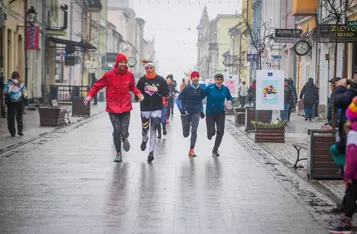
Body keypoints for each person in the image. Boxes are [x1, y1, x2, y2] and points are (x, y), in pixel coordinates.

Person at [84, 53, 144, 163]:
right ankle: (118, 153)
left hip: (125, 106)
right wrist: (89, 96)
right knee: (116, 130)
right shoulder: (109, 75)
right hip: (113, 107)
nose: (123, 64)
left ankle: (124, 137)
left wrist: (138, 94)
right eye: (121, 62)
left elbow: (133, 87)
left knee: (124, 131)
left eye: (125, 62)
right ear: (117, 63)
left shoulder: (129, 75)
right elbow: (97, 85)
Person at [328, 97, 357, 234]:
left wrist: (348, 175)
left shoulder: (353, 134)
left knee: (351, 196)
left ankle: (346, 224)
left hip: (355, 175)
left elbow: (352, 159)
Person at [136, 60, 169, 163]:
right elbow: (137, 93)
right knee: (145, 129)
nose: (149, 70)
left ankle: (151, 153)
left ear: (154, 68)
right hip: (145, 108)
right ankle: (144, 139)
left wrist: (157, 91)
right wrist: (139, 97)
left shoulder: (161, 80)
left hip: (157, 108)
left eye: (151, 68)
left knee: (153, 129)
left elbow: (167, 94)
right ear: (145, 69)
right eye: (147, 68)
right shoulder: (142, 80)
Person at [176, 71, 205, 157]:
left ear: (198, 78)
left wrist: (201, 111)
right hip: (186, 111)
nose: (195, 78)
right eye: (194, 77)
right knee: (186, 134)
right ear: (191, 79)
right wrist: (181, 109)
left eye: (197, 77)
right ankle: (186, 130)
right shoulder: (187, 88)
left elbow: (200, 101)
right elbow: (178, 99)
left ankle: (191, 149)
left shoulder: (200, 89)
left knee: (194, 130)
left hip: (196, 112)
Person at [203, 73, 233, 157]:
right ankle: (210, 133)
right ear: (215, 80)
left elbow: (229, 97)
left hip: (220, 113)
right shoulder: (209, 88)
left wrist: (230, 101)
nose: (219, 81)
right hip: (210, 113)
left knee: (220, 131)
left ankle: (215, 149)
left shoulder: (225, 89)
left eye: (220, 80)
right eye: (217, 79)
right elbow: (201, 95)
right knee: (211, 133)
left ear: (223, 80)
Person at [3, 71, 27, 137]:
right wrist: (25, 99)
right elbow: (25, 93)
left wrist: (8, 93)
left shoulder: (9, 82)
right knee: (19, 117)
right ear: (18, 76)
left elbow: (5, 91)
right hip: (20, 102)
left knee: (11, 117)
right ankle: (20, 131)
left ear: (12, 76)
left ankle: (12, 133)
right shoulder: (21, 83)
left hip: (11, 103)